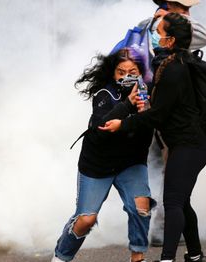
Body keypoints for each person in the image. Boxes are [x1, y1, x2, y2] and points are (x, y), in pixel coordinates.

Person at [99, 13, 206, 262]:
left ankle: (166, 259)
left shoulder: (174, 69)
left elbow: (157, 116)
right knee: (182, 202)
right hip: (187, 144)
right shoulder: (171, 63)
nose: (154, 35)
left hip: (189, 146)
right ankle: (195, 256)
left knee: (172, 202)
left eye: (159, 32)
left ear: (170, 40)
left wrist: (124, 123)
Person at [51, 48, 156, 262]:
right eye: (121, 72)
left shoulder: (149, 94)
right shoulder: (104, 94)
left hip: (130, 162)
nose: (127, 76)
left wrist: (146, 111)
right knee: (86, 220)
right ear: (113, 74)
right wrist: (128, 105)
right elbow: (101, 128)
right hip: (98, 164)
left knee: (141, 206)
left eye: (133, 71)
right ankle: (61, 256)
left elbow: (150, 133)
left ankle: (137, 256)